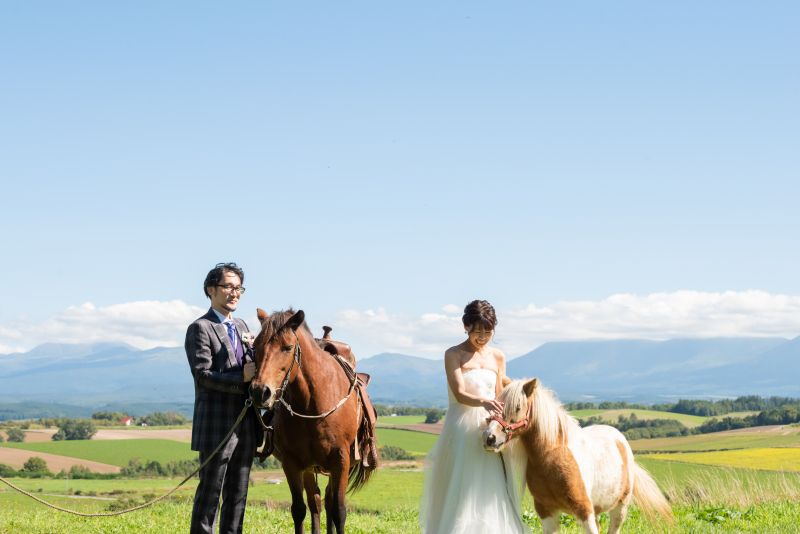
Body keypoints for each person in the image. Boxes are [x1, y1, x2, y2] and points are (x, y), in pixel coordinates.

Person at [420, 300, 530, 534]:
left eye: (488, 332)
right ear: (466, 326)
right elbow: (459, 393)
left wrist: (500, 416)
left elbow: (500, 393)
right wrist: (482, 402)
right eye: (477, 331)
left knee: (491, 481)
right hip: (461, 425)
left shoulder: (498, 356)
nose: (483, 337)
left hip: (490, 424)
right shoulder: (453, 354)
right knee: (463, 481)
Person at [186, 263, 263, 534]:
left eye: (239, 287)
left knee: (238, 497)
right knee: (210, 496)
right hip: (216, 426)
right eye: (228, 286)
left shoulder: (242, 326)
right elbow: (202, 376)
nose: (235, 293)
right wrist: (241, 377)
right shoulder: (200, 328)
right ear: (211, 289)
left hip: (246, 425)